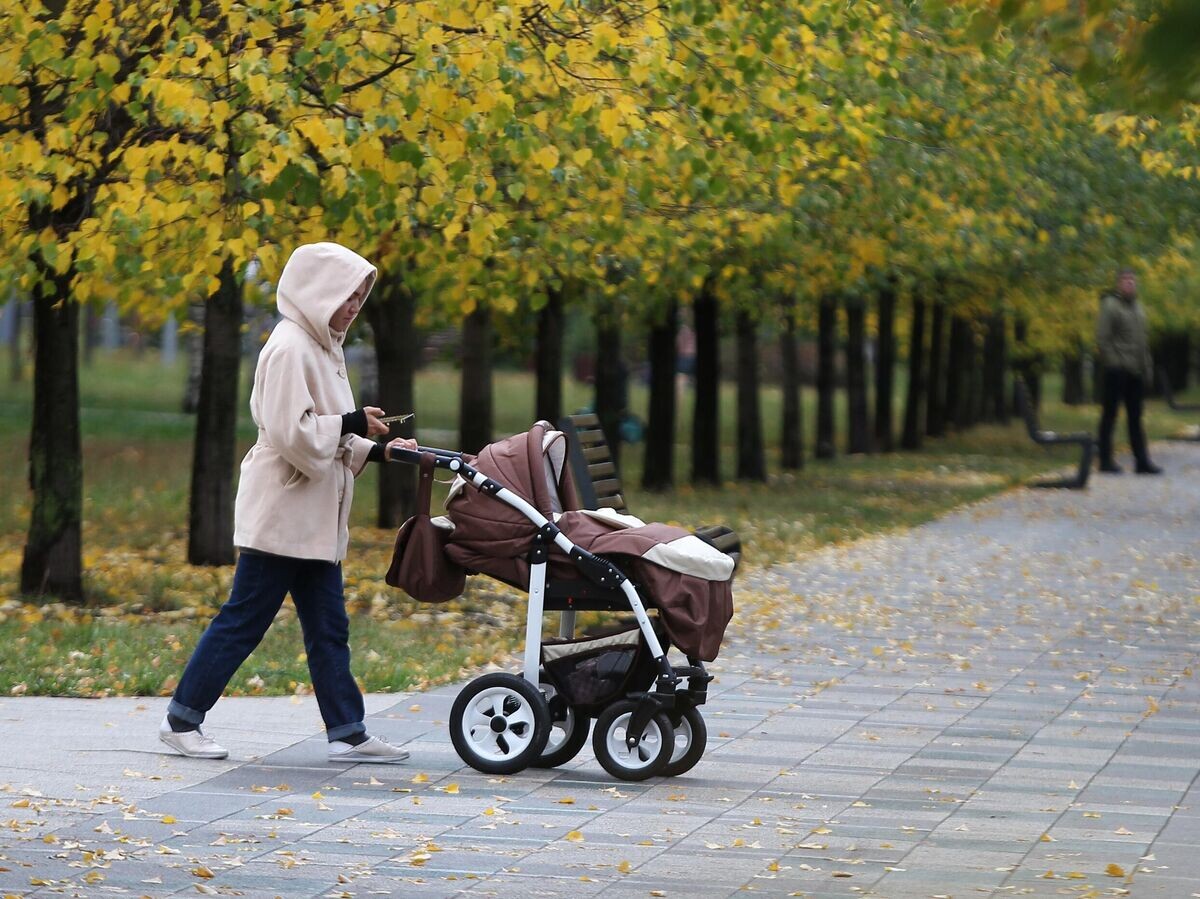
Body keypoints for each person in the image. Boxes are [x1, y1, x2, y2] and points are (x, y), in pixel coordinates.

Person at [160, 242, 417, 763]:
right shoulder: (289, 347)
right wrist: (350, 423)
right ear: (319, 292)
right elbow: (290, 432)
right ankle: (182, 722)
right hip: (283, 514)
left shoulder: (325, 347)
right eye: (348, 295)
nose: (354, 306)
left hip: (313, 521)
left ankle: (349, 731)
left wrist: (383, 450)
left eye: (361, 297)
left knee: (328, 628)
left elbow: (329, 432)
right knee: (244, 621)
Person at [1096, 267, 1161, 475]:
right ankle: (1105, 460)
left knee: (1135, 417)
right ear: (1118, 284)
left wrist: (1146, 368)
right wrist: (1115, 364)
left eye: (1132, 280)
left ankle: (1141, 461)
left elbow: (1143, 343)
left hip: (1136, 371)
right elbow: (1103, 338)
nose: (1129, 283)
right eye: (1125, 280)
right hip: (1117, 370)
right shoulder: (1111, 305)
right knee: (1110, 415)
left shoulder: (1138, 308)